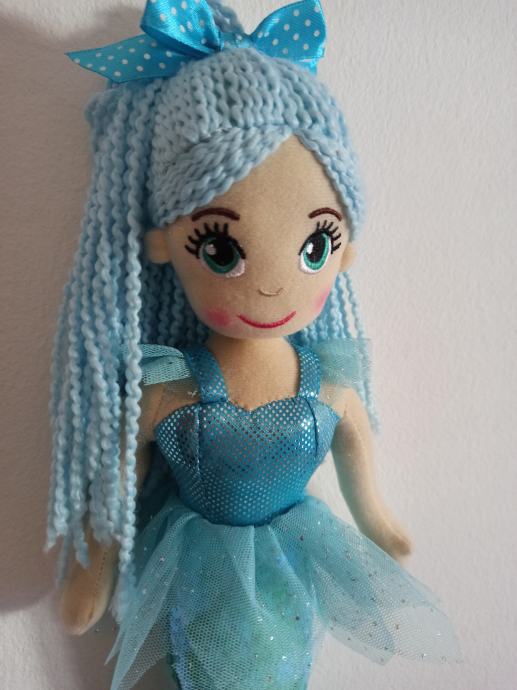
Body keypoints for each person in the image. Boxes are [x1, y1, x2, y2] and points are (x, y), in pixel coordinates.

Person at [47, 2, 461, 688]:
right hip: (193, 561)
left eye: (315, 245)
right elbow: (119, 478)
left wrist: (378, 522)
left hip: (295, 557)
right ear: (166, 246)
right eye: (219, 247)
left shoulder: (329, 381)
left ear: (343, 251)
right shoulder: (169, 386)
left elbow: (356, 451)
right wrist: (95, 569)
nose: (272, 286)